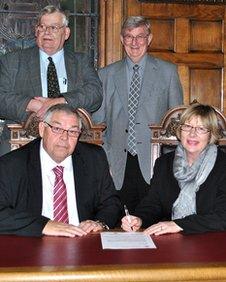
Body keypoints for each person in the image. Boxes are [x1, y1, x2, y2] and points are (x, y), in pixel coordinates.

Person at [92, 16, 183, 213]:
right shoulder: (105, 75)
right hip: (115, 166)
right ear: (122, 39)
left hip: (154, 164)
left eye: (140, 37)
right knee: (117, 225)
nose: (134, 43)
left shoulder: (168, 72)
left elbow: (176, 125)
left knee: (152, 224)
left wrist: (169, 167)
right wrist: (104, 162)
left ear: (149, 39)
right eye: (129, 37)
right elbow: (97, 125)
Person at [0, 104, 121, 237]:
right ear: (42, 129)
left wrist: (99, 223)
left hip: (83, 242)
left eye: (73, 131)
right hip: (33, 243)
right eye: (57, 129)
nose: (65, 137)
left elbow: (111, 203)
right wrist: (44, 225)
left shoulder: (94, 158)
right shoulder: (12, 164)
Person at [0, 5, 102, 155]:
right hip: (21, 145)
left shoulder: (81, 62)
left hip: (69, 147)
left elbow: (95, 94)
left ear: (66, 33)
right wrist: (33, 105)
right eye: (42, 27)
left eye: (53, 27)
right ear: (36, 31)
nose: (47, 32)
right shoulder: (13, 61)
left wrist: (57, 102)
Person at [121, 103, 226, 235]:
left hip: (212, 243)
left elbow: (222, 217)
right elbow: (153, 204)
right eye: (187, 126)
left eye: (201, 128)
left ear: (211, 135)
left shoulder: (222, 166)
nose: (192, 134)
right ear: (180, 130)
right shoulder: (164, 163)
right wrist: (139, 219)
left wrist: (179, 225)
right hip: (172, 243)